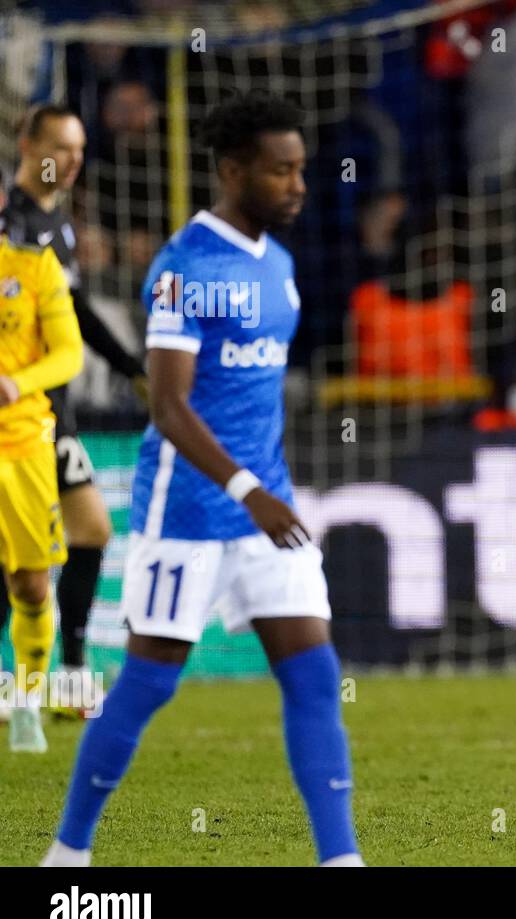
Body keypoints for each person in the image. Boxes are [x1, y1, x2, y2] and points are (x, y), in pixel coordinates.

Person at [42, 91, 362, 867]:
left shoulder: (280, 267)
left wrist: (263, 492)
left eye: (301, 171)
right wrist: (245, 489)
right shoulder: (185, 268)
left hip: (264, 512)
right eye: (280, 171)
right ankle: (68, 855)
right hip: (188, 507)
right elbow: (170, 404)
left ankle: (340, 859)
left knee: (315, 675)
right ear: (232, 170)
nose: (297, 185)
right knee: (150, 683)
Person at [2, 104, 148, 718]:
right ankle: (50, 678)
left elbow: (78, 313)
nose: (71, 161)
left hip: (49, 412)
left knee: (86, 531)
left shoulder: (55, 226)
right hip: (19, 416)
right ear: (27, 143)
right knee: (29, 557)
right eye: (59, 148)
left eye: (80, 150)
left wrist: (133, 369)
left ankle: (63, 677)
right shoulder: (11, 226)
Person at [0, 172, 85, 751]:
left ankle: (27, 702)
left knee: (31, 584)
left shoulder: (34, 268)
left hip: (21, 444)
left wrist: (17, 382)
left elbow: (70, 355)